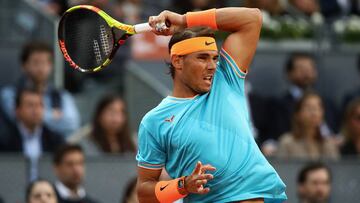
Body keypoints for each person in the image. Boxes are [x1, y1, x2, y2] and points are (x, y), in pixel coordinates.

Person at [136, 7, 286, 203]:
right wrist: (182, 186)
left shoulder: (226, 78)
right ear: (177, 61)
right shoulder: (154, 122)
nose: (213, 66)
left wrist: (184, 20)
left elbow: (252, 18)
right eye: (202, 58)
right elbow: (144, 193)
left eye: (214, 58)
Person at [0, 41, 80, 137]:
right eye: (36, 62)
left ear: (51, 66)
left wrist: (34, 116)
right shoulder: (9, 94)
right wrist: (54, 116)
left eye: (45, 62)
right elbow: (17, 118)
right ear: (24, 66)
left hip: (52, 149)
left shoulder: (62, 95)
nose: (41, 68)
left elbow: (72, 124)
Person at [0, 88, 65, 181]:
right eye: (30, 105)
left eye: (39, 105)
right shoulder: (4, 141)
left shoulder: (56, 140)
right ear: (17, 110)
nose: (35, 110)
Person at [277, 92, 339, 160]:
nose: (314, 113)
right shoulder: (287, 142)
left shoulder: (328, 143)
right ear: (297, 114)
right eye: (309, 108)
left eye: (318, 108)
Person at [68, 95, 136, 156]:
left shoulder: (133, 141)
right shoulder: (86, 139)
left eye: (120, 113)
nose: (116, 118)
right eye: (111, 112)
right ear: (99, 115)